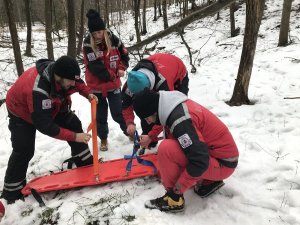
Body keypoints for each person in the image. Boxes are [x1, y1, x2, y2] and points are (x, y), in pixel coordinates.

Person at [1, 56, 98, 204]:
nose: (73, 83)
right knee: (24, 149)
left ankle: (84, 162)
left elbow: (77, 82)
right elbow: (46, 126)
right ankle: (11, 192)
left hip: (52, 104)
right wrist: (75, 137)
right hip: (21, 112)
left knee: (73, 123)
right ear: (58, 77)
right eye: (70, 81)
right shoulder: (38, 90)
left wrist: (88, 93)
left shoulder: (64, 73)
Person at [133, 89, 239, 213]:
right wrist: (151, 136)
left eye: (147, 118)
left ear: (154, 110)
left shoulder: (180, 121)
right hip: (222, 156)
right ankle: (208, 181)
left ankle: (173, 200)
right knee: (178, 148)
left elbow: (200, 161)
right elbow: (164, 121)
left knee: (166, 149)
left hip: (223, 164)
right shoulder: (170, 104)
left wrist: (177, 189)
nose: (148, 122)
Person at [83, 9, 129, 151]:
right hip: (96, 87)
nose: (98, 35)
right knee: (100, 116)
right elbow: (95, 67)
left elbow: (125, 55)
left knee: (118, 112)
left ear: (104, 30)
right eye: (95, 33)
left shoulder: (114, 40)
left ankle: (129, 131)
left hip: (113, 86)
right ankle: (103, 138)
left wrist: (122, 67)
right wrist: (112, 75)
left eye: (100, 32)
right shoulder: (87, 44)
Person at [122, 53, 189, 149]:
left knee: (177, 112)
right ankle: (150, 144)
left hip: (177, 72)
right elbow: (126, 105)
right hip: (159, 63)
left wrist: (151, 136)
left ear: (150, 88)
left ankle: (178, 140)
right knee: (146, 111)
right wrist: (129, 123)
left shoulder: (163, 85)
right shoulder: (132, 82)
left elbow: (167, 112)